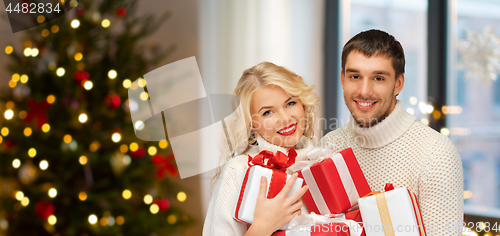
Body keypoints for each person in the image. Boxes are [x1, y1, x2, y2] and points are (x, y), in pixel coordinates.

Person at [318, 29, 463, 236]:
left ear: (398, 84)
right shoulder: (329, 146)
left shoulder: (436, 154)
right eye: (355, 76)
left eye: (378, 78)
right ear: (342, 79)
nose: (364, 91)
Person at [203, 62, 320, 236]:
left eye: (290, 103)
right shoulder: (239, 170)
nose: (285, 118)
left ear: (302, 105)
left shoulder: (321, 162)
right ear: (252, 125)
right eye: (268, 112)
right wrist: (262, 227)